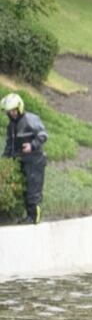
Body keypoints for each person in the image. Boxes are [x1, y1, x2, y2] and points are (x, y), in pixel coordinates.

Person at [2, 93, 47, 225]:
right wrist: (5, 160)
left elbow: (43, 135)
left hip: (35, 160)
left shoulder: (30, 119)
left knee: (33, 189)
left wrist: (32, 146)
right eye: (9, 112)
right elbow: (9, 145)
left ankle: (34, 217)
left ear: (20, 107)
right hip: (21, 160)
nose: (12, 114)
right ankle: (26, 215)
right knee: (24, 189)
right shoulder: (11, 126)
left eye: (14, 111)